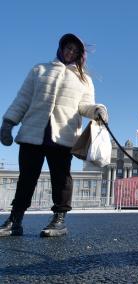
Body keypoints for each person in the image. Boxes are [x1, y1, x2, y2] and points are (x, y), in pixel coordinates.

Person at [0, 33, 108, 237]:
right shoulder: (39, 69)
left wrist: (97, 110)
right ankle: (15, 219)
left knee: (61, 179)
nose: (70, 52)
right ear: (61, 48)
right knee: (26, 178)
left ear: (80, 55)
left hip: (63, 136)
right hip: (33, 132)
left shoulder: (84, 79)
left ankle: (59, 220)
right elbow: (23, 99)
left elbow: (85, 106)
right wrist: (8, 122)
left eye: (75, 51)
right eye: (68, 48)